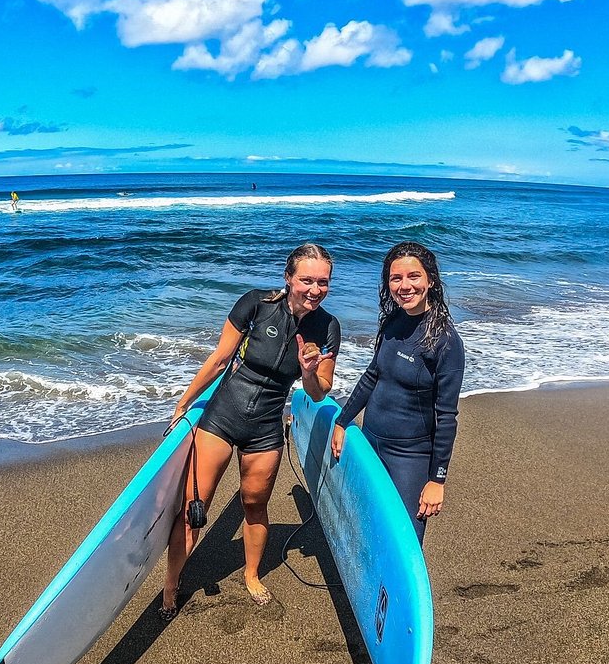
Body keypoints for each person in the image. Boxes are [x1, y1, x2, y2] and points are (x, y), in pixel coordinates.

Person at [161, 244, 341, 619]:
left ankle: (252, 574)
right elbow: (219, 358)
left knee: (256, 505)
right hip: (222, 416)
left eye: (322, 282)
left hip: (266, 429)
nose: (314, 289)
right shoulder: (256, 304)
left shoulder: (327, 328)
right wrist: (184, 403)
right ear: (288, 278)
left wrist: (309, 369)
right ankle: (171, 583)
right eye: (306, 279)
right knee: (197, 508)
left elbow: (320, 390)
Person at [331, 241, 465, 544]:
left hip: (410, 455)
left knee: (405, 538)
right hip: (371, 439)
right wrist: (342, 421)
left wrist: (436, 480)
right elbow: (372, 375)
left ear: (430, 280)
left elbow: (447, 417)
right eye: (396, 278)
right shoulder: (393, 321)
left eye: (413, 276)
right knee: (366, 517)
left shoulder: (445, 341)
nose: (405, 286)